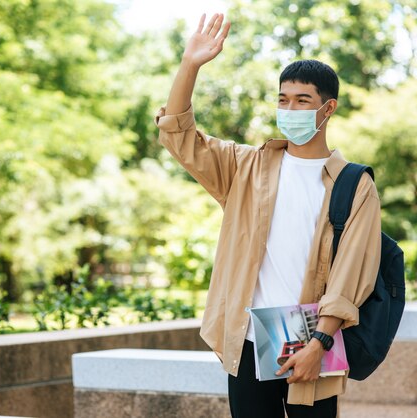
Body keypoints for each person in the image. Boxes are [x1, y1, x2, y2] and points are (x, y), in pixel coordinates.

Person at [154, 13, 381, 418]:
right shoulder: (247, 167)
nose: (289, 108)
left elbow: (352, 273)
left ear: (327, 109)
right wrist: (190, 65)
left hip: (310, 333)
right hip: (250, 333)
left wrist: (321, 343)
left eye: (302, 100)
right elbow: (178, 135)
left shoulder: (353, 183)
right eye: (283, 99)